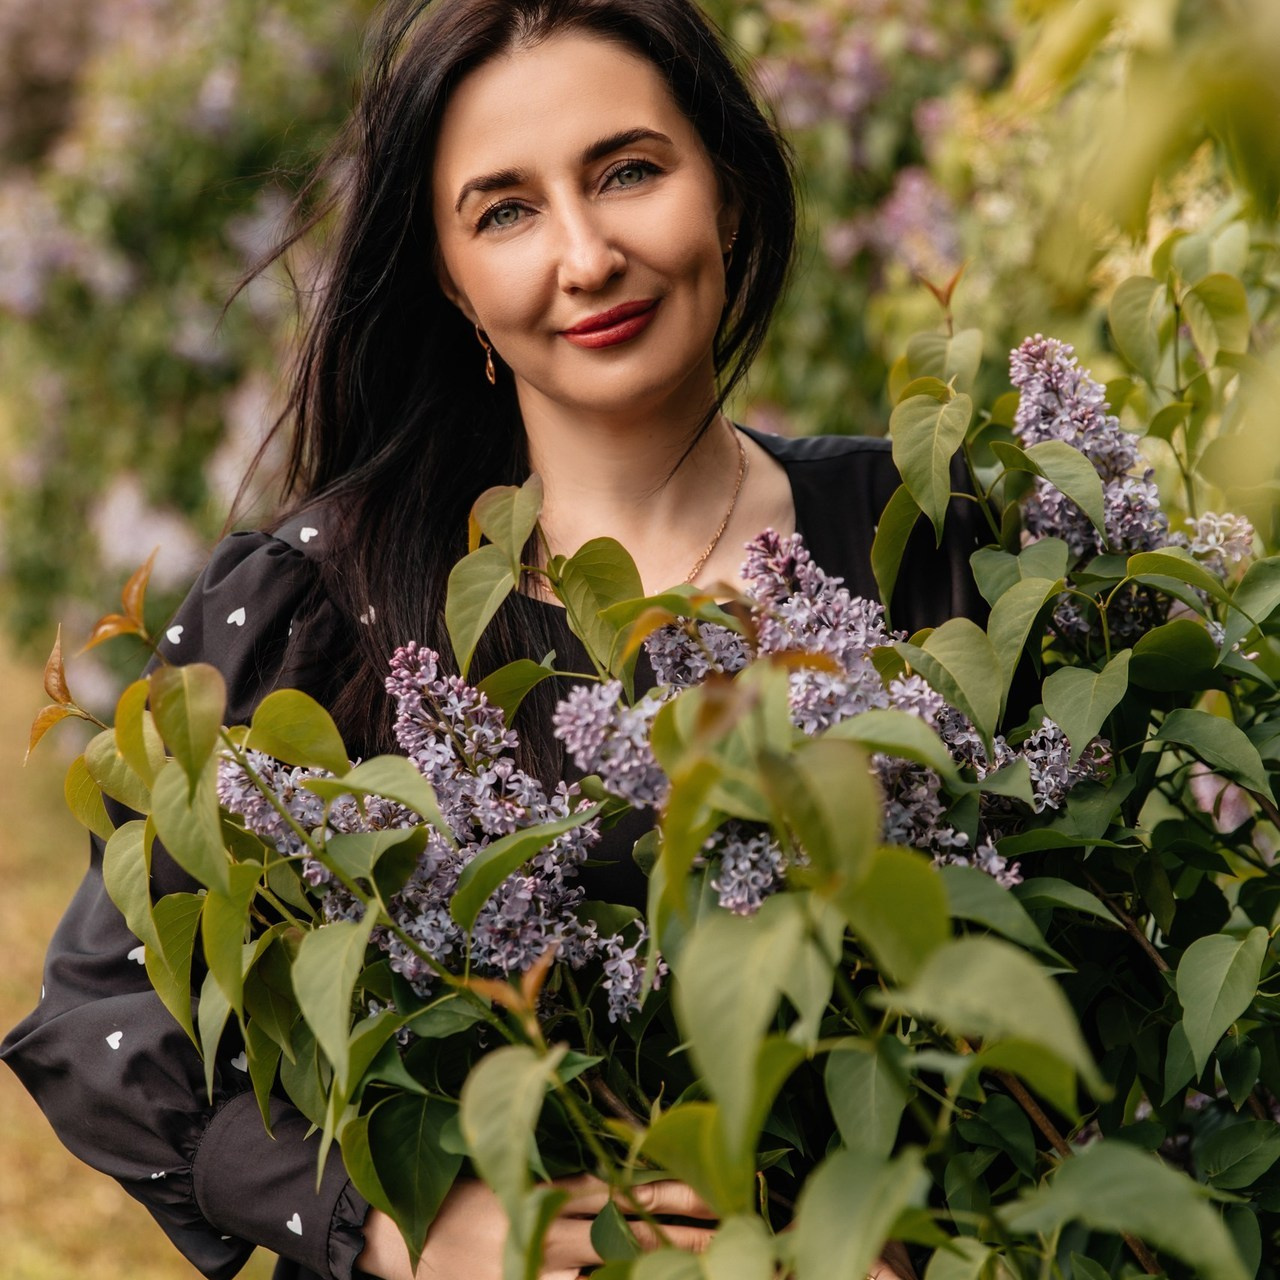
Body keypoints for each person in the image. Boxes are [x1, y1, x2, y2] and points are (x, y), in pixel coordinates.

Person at [3, 1, 981, 1277]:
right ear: (451, 284)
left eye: (628, 169)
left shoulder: (932, 544)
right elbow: (107, 1015)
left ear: (727, 191)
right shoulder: (321, 617)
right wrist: (395, 1220)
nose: (584, 255)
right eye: (504, 210)